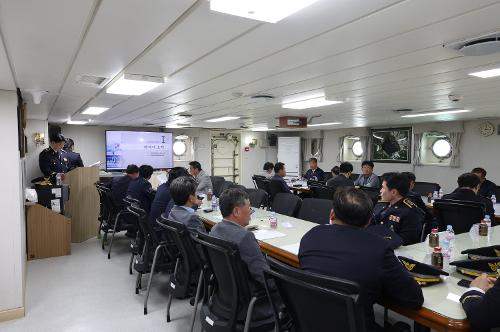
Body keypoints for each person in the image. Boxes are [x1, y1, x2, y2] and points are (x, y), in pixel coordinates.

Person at [299, 187, 423, 332]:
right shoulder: (379, 248)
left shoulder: (311, 236)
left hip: (310, 323)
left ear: (332, 214)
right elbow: (413, 299)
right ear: (368, 221)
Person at [210, 188, 273, 320]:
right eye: (249, 207)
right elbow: (264, 277)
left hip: (225, 299)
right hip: (250, 304)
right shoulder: (245, 238)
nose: (251, 212)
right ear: (237, 211)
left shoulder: (214, 229)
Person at [372, 173, 424, 245]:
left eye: (383, 188)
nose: (380, 191)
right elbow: (376, 223)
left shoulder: (410, 212)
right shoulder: (387, 204)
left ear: (393, 192)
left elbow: (407, 240)